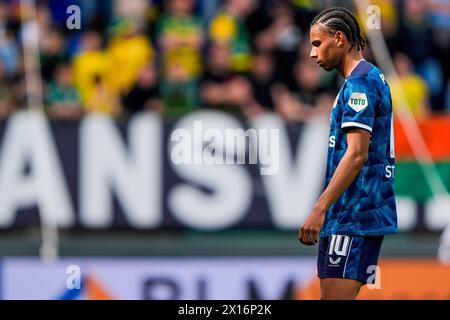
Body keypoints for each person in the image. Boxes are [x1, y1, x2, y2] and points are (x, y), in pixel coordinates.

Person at [298, 7, 397, 300]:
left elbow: (356, 155)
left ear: (339, 38)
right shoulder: (368, 77)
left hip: (353, 216)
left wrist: (319, 209)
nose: (312, 54)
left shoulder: (360, 85)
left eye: (317, 43)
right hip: (355, 215)